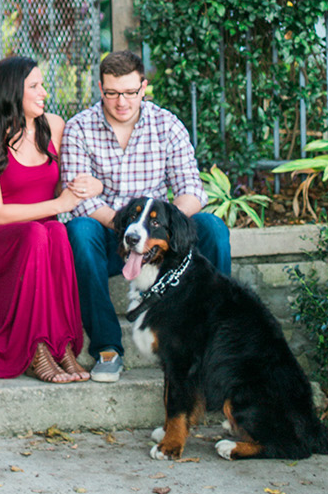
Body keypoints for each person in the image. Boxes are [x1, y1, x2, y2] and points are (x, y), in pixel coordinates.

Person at [59, 49, 231, 383]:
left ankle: (212, 340)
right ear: (100, 88)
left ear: (143, 87)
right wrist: (131, 231)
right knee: (79, 230)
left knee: (212, 228)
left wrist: (157, 230)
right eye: (112, 93)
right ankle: (108, 348)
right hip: (110, 235)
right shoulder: (79, 128)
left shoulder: (166, 125)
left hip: (159, 237)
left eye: (129, 92)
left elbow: (192, 190)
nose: (121, 102)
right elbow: (82, 202)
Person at [0, 56, 103, 382]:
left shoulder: (53, 126)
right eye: (34, 86)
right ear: (12, 91)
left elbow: (82, 176)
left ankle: (61, 345)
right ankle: (36, 347)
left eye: (42, 85)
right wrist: (58, 202)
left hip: (38, 235)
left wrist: (93, 184)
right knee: (41, 233)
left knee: (54, 231)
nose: (44, 92)